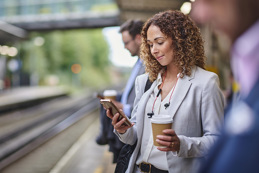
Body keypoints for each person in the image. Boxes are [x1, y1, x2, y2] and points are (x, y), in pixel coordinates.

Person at [107, 10, 225, 173]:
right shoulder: (145, 81)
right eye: (149, 44)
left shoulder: (205, 82)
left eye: (159, 42)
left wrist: (181, 144)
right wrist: (123, 129)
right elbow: (134, 137)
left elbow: (218, 141)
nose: (153, 50)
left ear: (179, 40)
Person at [191, 0, 259, 172]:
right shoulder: (245, 66)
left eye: (208, 1)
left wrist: (181, 144)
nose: (200, 15)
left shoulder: (207, 81)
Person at [96, 19, 145, 163]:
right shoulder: (137, 63)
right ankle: (105, 135)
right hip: (127, 128)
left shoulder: (148, 66)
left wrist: (124, 107)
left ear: (138, 38)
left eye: (126, 42)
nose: (124, 47)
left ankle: (104, 136)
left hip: (134, 126)